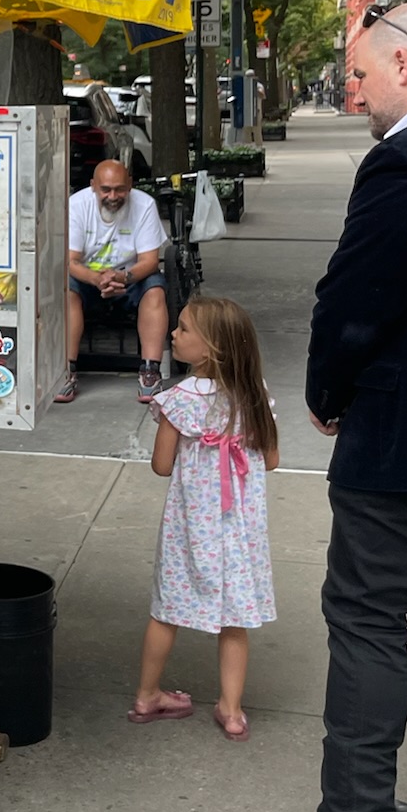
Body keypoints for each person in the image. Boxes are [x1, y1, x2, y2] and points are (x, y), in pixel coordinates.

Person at [224, 3, 407, 812]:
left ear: (404, 65)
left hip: (400, 444)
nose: (354, 89)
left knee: (369, 621)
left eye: (362, 73)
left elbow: (354, 301)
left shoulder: (402, 166)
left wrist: (325, 393)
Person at [130, 297, 278, 738]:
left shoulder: (178, 401)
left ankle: (148, 694)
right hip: (240, 532)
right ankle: (231, 711)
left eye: (183, 329)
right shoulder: (255, 397)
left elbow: (161, 465)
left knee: (166, 610)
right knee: (234, 620)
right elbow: (271, 459)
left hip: (190, 528)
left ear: (212, 348)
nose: (174, 335)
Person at [57, 160, 169, 404]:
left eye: (120, 189)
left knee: (155, 288)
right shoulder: (76, 205)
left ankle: (150, 371)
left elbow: (149, 260)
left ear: (130, 185)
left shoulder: (144, 205)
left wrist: (123, 277)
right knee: (67, 288)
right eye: (106, 189)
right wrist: (97, 279)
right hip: (88, 279)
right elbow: (70, 260)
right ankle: (66, 370)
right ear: (92, 187)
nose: (113, 196)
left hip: (130, 277)